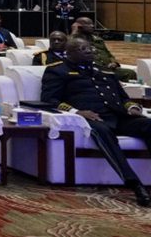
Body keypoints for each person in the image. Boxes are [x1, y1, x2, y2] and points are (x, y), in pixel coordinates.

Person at [41, 37, 151, 207]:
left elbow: (124, 98)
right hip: (90, 119)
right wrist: (77, 112)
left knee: (148, 125)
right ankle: (135, 184)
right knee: (103, 132)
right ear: (68, 53)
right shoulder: (57, 71)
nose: (89, 51)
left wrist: (132, 108)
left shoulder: (104, 71)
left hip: (117, 117)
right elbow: (49, 99)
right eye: (82, 49)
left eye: (89, 48)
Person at [72, 17, 136, 81]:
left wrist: (114, 62)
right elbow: (69, 45)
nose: (92, 26)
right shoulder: (75, 41)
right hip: (93, 69)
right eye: (87, 24)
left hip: (108, 68)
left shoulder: (98, 39)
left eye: (92, 24)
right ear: (79, 26)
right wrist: (74, 32)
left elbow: (108, 54)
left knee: (130, 73)